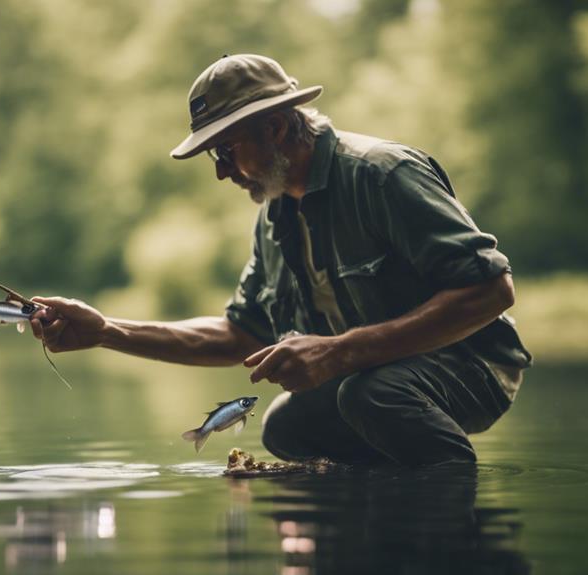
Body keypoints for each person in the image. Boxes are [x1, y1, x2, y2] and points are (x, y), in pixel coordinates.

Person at [29, 54, 532, 466]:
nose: (222, 173)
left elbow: (491, 290)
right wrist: (106, 331)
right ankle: (375, 512)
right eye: (213, 157)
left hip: (474, 368)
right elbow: (239, 335)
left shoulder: (383, 174)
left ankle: (452, 507)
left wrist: (339, 352)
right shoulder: (275, 217)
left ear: (274, 128)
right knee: (288, 425)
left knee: (368, 395)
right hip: (375, 378)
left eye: (225, 151)